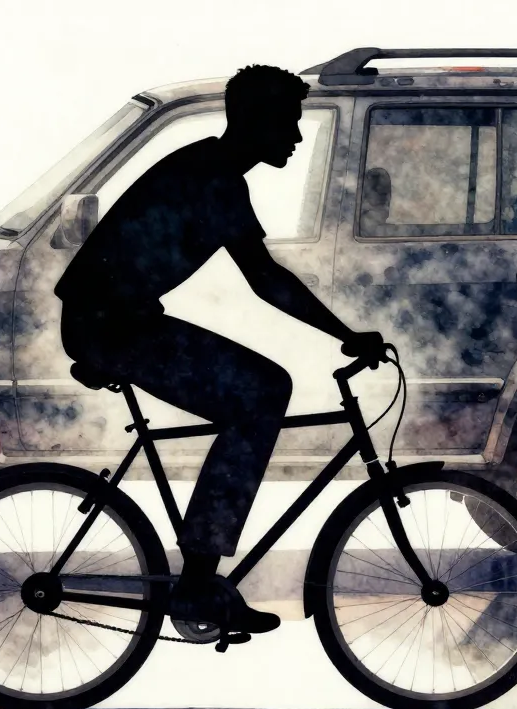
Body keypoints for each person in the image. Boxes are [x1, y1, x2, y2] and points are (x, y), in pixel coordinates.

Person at [55, 64, 384, 635]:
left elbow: (260, 276)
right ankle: (199, 585)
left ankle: (200, 577)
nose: (296, 137)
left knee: (260, 391)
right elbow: (265, 278)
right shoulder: (215, 178)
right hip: (109, 326)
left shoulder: (212, 167)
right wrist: (347, 336)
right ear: (257, 122)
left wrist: (341, 332)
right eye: (288, 123)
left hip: (111, 321)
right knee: (262, 393)